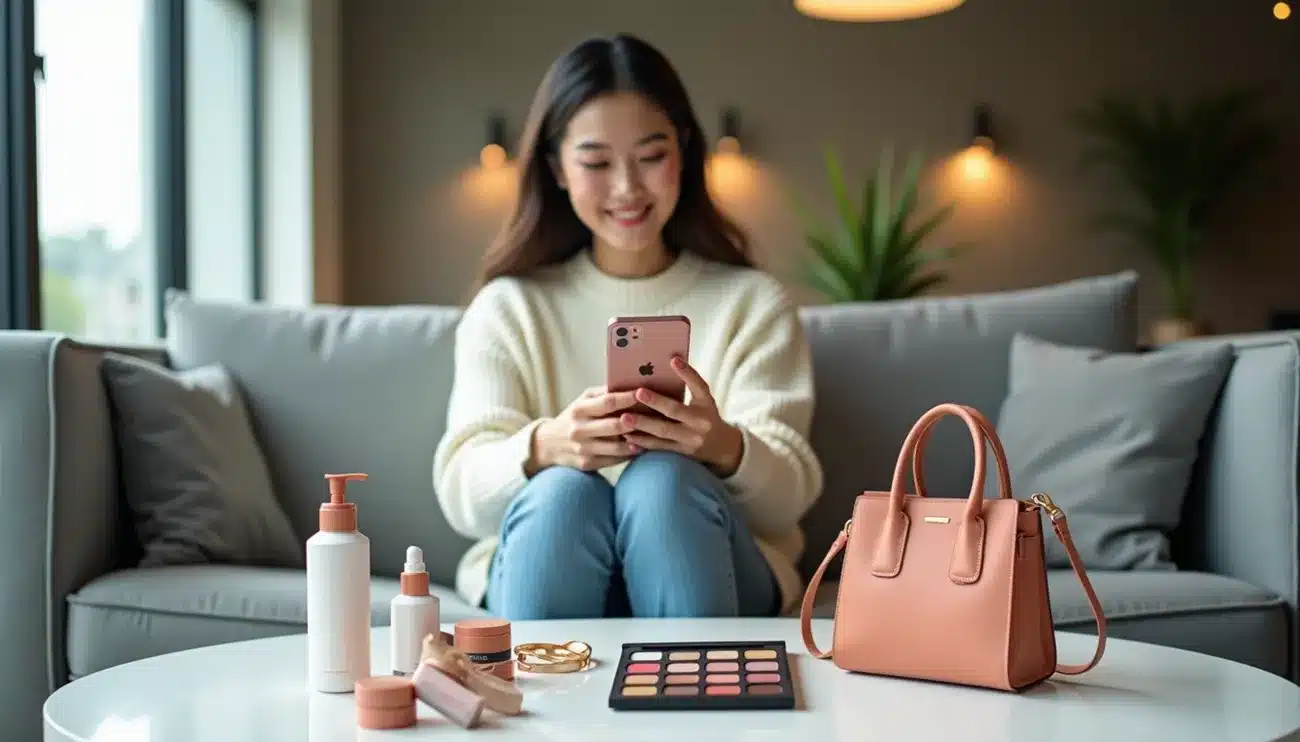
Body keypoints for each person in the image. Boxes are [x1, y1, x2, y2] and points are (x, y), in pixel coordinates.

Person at [433, 33, 823, 621]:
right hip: (551, 554)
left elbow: (791, 496)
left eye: (651, 156)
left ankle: (693, 677)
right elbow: (462, 495)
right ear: (557, 168)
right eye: (595, 162)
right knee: (563, 491)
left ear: (684, 152)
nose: (626, 188)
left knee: (662, 481)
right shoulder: (509, 307)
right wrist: (545, 447)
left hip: (712, 564)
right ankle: (550, 684)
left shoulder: (752, 303)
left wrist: (722, 446)